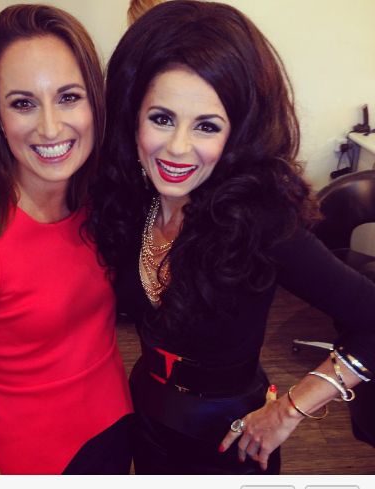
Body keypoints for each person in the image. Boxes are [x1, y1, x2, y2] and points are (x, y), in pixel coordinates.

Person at [89, 0, 375, 475]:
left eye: (206, 126)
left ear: (237, 134)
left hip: (232, 440)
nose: (177, 148)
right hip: (146, 419)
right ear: (132, 116)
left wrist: (291, 408)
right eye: (161, 118)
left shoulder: (260, 221)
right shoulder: (130, 203)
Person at [0, 4, 132, 475]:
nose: (50, 127)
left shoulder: (101, 200)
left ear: (95, 103)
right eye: (23, 103)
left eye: (69, 97)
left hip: (117, 428)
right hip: (29, 463)